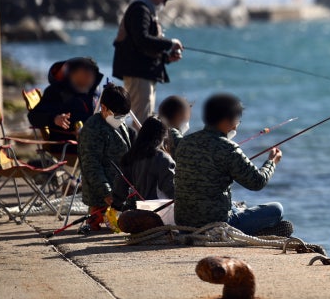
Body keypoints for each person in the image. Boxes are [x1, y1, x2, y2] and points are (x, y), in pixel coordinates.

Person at [174, 93, 292, 237]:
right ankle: (257, 231)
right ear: (226, 120)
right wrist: (272, 162)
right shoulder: (228, 148)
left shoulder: (185, 142)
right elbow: (257, 182)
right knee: (276, 209)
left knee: (236, 205)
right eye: (237, 119)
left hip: (183, 223)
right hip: (216, 224)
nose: (237, 124)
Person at [112, 0, 183, 121]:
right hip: (138, 73)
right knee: (141, 120)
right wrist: (170, 44)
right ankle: (138, 144)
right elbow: (142, 39)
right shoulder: (140, 9)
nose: (164, 2)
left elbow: (142, 47)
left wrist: (166, 59)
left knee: (141, 118)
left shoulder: (145, 10)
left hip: (141, 73)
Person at [77, 84, 134, 231]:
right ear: (103, 108)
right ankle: (97, 217)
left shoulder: (118, 123)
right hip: (102, 195)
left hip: (121, 190)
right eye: (119, 116)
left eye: (125, 116)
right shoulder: (92, 129)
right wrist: (107, 193)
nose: (122, 120)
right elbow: (91, 166)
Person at [27, 57, 103, 155]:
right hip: (69, 146)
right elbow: (33, 116)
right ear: (73, 73)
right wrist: (54, 119)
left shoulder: (95, 93)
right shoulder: (57, 92)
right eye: (86, 72)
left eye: (93, 72)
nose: (91, 75)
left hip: (95, 141)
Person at [112, 116, 175, 210]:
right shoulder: (163, 159)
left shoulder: (130, 156)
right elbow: (171, 190)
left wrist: (116, 205)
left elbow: (119, 189)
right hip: (159, 212)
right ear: (162, 136)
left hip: (134, 212)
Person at [158, 95, 191, 159]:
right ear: (179, 116)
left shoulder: (159, 132)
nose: (188, 120)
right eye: (188, 115)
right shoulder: (173, 135)